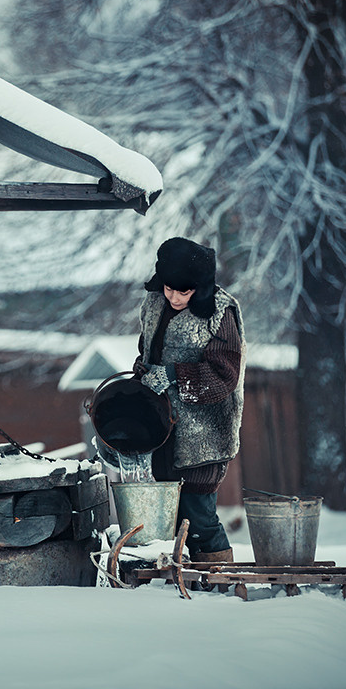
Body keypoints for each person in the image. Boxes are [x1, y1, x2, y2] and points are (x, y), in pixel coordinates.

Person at [132, 237, 245, 563]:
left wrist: (173, 376)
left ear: (201, 286)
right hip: (164, 432)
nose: (175, 297)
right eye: (170, 288)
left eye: (185, 291)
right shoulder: (154, 304)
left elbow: (225, 375)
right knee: (168, 516)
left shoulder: (220, 313)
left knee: (198, 517)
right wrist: (144, 372)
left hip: (203, 437)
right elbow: (147, 349)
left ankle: (218, 582)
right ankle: (183, 580)